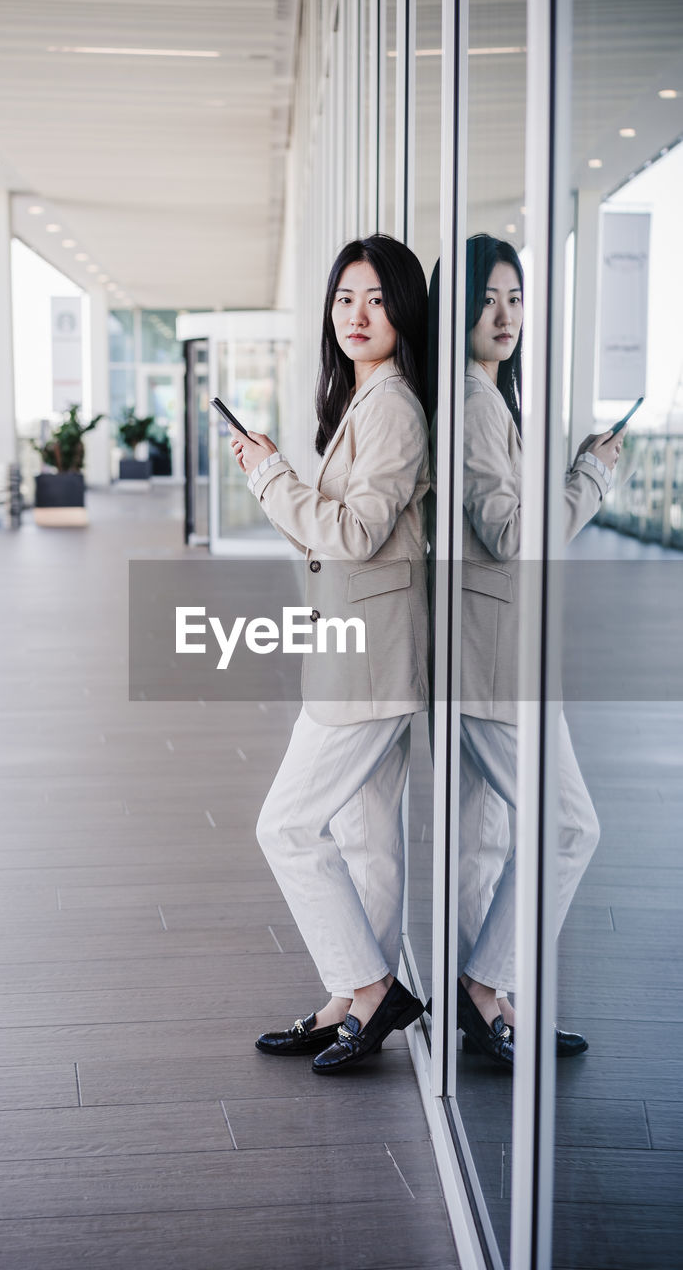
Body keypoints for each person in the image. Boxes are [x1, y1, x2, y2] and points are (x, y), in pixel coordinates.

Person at [228, 234, 430, 1073]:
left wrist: (276, 477)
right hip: (361, 647)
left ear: (403, 312)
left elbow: (350, 535)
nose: (357, 314)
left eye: (377, 299)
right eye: (346, 297)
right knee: (366, 838)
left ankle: (373, 991)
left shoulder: (392, 407)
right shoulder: (362, 401)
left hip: (371, 660)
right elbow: (330, 543)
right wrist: (268, 475)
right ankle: (351, 1005)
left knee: (285, 825)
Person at [429, 234, 622, 1068]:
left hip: (474, 654)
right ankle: (485, 986)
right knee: (569, 827)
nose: (504, 314)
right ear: (458, 307)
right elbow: (511, 536)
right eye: (487, 298)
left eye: (514, 297)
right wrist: (589, 478)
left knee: (483, 838)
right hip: (494, 663)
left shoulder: (479, 397)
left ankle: (485, 1001)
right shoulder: (474, 403)